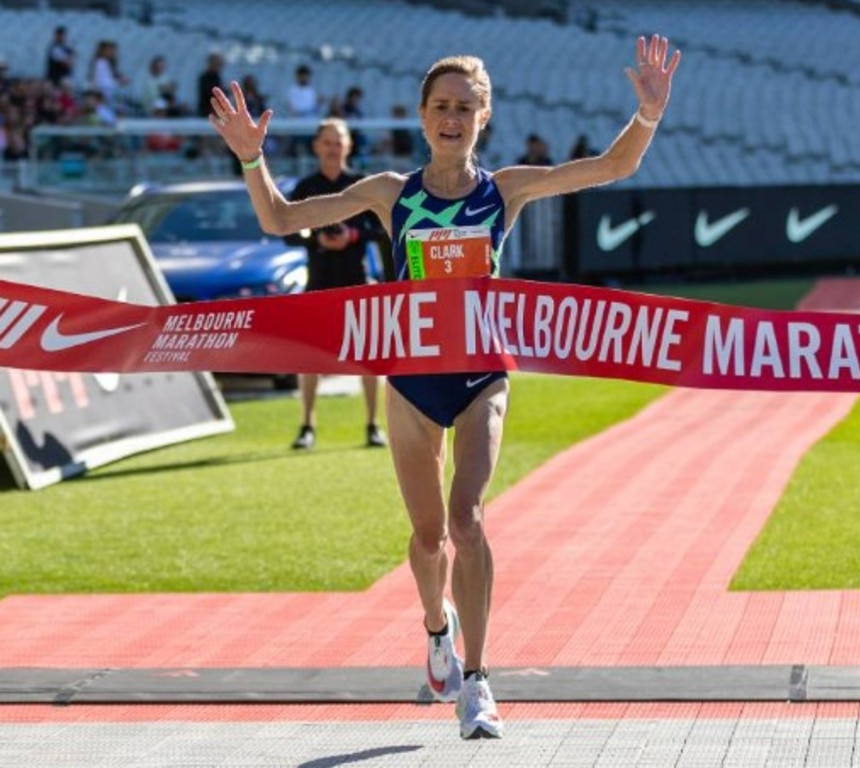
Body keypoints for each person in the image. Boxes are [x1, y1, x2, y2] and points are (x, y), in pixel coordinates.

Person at [209, 33, 680, 741]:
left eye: (465, 106)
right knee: (427, 539)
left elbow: (613, 166)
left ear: (483, 116)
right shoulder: (388, 194)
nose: (452, 117)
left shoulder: (507, 189)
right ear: (423, 115)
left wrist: (646, 113)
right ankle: (437, 629)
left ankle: (481, 684)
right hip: (410, 383)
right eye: (440, 106)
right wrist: (250, 154)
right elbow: (280, 217)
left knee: (468, 519)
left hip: (481, 377)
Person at [284, 118, 387, 451]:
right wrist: (316, 238)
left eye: (338, 141)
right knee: (307, 357)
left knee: (369, 356)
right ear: (316, 146)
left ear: (349, 146)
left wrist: (353, 235)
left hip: (356, 280)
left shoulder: (362, 185)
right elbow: (286, 232)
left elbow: (383, 230)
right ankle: (307, 424)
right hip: (319, 281)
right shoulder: (306, 187)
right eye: (327, 142)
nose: (333, 148)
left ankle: (373, 424)